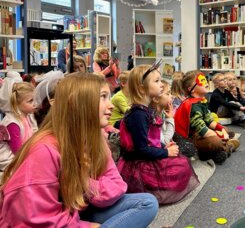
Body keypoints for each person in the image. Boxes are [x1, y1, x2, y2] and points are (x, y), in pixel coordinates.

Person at [0, 73, 158, 227]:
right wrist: (87, 225)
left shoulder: (95, 138)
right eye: (103, 97)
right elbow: (35, 219)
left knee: (147, 203)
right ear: (78, 103)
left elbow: (117, 186)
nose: (110, 105)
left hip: (76, 209)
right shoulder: (44, 150)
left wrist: (83, 181)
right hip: (47, 220)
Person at [117, 62, 199, 204]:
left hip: (147, 156)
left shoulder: (146, 111)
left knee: (181, 162)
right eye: (157, 81)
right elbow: (141, 150)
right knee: (179, 166)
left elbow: (151, 141)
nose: (161, 84)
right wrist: (165, 153)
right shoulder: (138, 115)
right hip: (138, 163)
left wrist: (163, 148)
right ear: (142, 89)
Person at [174, 71, 240, 165]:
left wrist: (221, 129)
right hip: (190, 138)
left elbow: (209, 121)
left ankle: (222, 147)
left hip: (199, 133)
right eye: (201, 81)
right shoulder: (192, 105)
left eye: (204, 80)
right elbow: (201, 129)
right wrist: (218, 135)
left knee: (225, 129)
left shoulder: (201, 101)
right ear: (192, 89)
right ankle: (224, 147)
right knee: (215, 141)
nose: (205, 83)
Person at [0, 80, 38, 176]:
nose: (35, 104)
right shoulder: (12, 123)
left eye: (35, 99)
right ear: (17, 103)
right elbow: (17, 150)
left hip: (20, 155)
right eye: (30, 101)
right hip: (9, 162)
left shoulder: (26, 115)